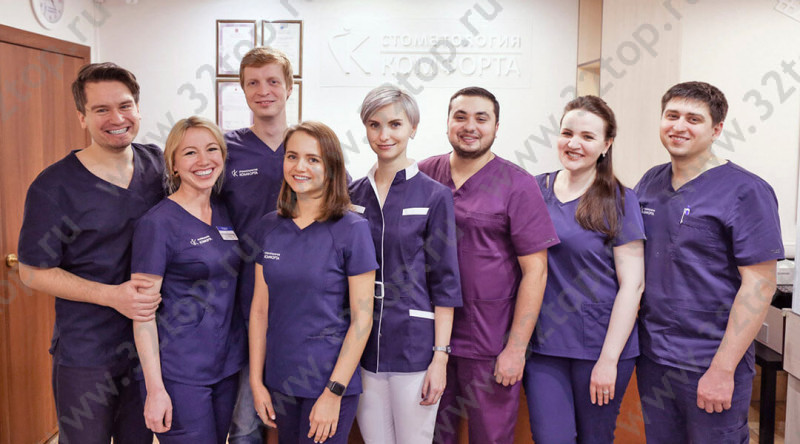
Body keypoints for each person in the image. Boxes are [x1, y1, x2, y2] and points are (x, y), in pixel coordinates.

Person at [17, 62, 163, 444]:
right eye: (101, 110)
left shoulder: (159, 166)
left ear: (138, 109)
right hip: (86, 352)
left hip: (148, 348)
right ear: (82, 117)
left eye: (125, 106)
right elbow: (31, 271)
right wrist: (112, 296)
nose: (117, 118)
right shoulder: (54, 186)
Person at [634, 81, 783, 443]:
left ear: (716, 129)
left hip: (710, 359)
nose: (679, 126)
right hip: (654, 357)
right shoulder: (650, 182)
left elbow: (760, 285)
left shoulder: (746, 191)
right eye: (671, 115)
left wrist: (723, 369)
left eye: (693, 119)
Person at [418, 87, 559, 444]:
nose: (470, 126)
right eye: (460, 117)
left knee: (490, 437)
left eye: (481, 118)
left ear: (496, 127)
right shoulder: (423, 174)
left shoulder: (518, 184)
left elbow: (536, 271)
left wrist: (516, 348)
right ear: (447, 123)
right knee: (432, 436)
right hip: (427, 339)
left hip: (489, 341)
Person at [522, 96, 645, 444]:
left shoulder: (620, 200)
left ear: (606, 144)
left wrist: (609, 360)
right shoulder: (533, 190)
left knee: (595, 438)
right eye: (567, 133)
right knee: (550, 438)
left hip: (600, 346)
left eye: (588, 137)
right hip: (543, 346)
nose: (574, 143)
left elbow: (633, 285)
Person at [249, 121, 377, 444]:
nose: (299, 167)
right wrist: (256, 382)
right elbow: (260, 311)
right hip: (280, 380)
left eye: (313, 159)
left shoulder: (353, 229)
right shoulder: (269, 227)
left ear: (331, 167)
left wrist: (333, 392)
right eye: (292, 156)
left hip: (328, 382)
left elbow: (362, 319)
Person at [349, 86, 462, 443]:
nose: (384, 135)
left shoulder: (435, 195)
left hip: (414, 344)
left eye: (395, 124)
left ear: (413, 127)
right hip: (362, 346)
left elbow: (445, 281)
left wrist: (440, 358)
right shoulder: (352, 196)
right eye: (374, 124)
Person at [130, 116, 247, 443]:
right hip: (179, 373)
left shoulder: (222, 212)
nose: (204, 160)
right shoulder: (157, 224)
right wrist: (155, 389)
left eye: (212, 149)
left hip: (225, 366)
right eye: (190, 153)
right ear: (173, 164)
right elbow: (142, 314)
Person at [222, 46, 293, 444]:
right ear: (243, 89)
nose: (263, 91)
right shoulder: (225, 150)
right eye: (253, 83)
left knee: (296, 421)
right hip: (240, 302)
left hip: (299, 304)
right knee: (246, 423)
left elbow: (343, 207)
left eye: (272, 81)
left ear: (289, 87)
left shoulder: (309, 145)